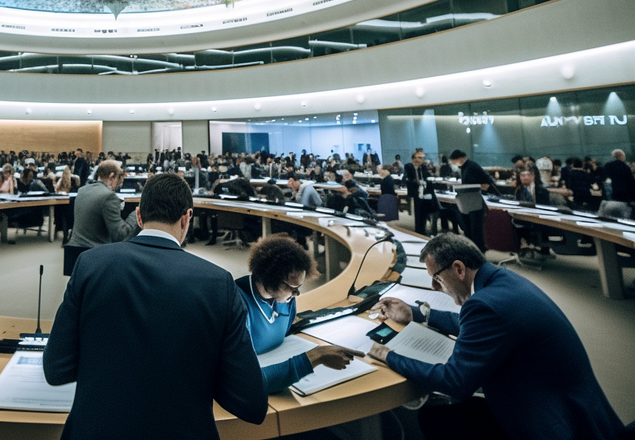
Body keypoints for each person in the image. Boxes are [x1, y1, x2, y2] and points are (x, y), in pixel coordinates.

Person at [44, 173, 268, 439]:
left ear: (138, 216)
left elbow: (56, 369)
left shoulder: (90, 265)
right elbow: (251, 403)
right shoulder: (219, 284)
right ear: (187, 218)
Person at [367, 233, 623, 440]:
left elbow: (455, 382)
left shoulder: (485, 304)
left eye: (436, 279)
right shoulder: (499, 280)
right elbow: (476, 326)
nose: (435, 288)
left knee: (435, 419)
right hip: (573, 405)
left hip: (548, 421)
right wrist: (414, 314)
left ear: (458, 269)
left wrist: (388, 355)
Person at [237, 235, 362, 393]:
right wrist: (315, 356)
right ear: (270, 277)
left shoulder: (287, 300)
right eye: (292, 288)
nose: (297, 294)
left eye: (299, 287)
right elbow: (245, 381)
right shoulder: (238, 307)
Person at [64, 160, 137, 271]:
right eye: (118, 180)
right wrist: (135, 214)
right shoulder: (109, 196)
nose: (118, 185)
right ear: (112, 176)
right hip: (97, 257)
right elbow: (121, 235)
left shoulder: (82, 191)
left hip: (75, 255)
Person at [449, 149, 497, 251]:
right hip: (468, 200)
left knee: (476, 231)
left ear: (461, 158)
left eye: (455, 161)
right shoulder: (464, 167)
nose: (455, 164)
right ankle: (471, 250)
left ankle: (478, 252)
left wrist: (480, 187)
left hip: (475, 201)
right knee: (468, 229)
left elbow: (488, 181)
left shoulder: (472, 166)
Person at [405, 150, 436, 235]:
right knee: (418, 213)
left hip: (425, 192)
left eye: (422, 158)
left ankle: (424, 229)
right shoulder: (409, 166)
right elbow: (407, 179)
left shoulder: (424, 167)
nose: (420, 159)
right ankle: (418, 230)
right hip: (416, 192)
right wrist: (418, 182)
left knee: (425, 211)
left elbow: (427, 177)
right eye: (418, 157)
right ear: (413, 159)